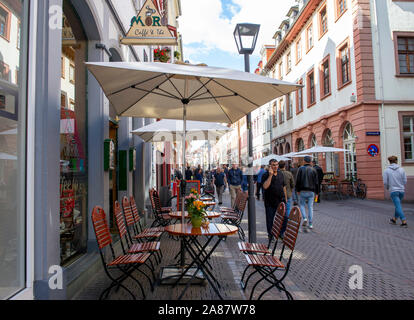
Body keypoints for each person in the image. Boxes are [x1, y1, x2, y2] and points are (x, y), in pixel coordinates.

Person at [262, 159, 287, 243]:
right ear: (270, 166)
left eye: (276, 165)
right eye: (273, 165)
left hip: (280, 200)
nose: (275, 166)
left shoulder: (281, 174)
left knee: (285, 218)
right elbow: (265, 187)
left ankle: (281, 233)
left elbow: (284, 187)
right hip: (269, 201)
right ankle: (270, 235)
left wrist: (285, 198)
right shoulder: (265, 175)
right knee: (270, 219)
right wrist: (270, 175)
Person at [383, 156, 408, 227]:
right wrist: (401, 185)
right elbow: (405, 180)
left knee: (398, 206)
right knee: (398, 206)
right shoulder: (401, 169)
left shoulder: (386, 171)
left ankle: (404, 221)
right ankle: (394, 219)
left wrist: (388, 187)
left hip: (393, 191)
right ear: (396, 161)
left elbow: (385, 182)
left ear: (389, 161)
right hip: (401, 191)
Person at [295, 156, 318, 230]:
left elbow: (297, 180)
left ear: (304, 161)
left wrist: (297, 190)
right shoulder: (313, 169)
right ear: (310, 161)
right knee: (310, 207)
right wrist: (317, 192)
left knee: (302, 205)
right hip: (311, 191)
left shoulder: (300, 169)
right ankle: (311, 223)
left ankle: (304, 218)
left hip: (302, 190)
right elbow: (316, 182)